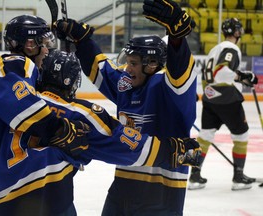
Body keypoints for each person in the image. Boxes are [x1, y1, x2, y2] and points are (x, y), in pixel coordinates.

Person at [0, 47, 201, 215]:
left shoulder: (7, 107)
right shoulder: (81, 114)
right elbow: (129, 145)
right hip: (49, 203)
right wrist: (174, 150)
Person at [54, 0, 198, 215]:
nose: (127, 68)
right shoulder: (128, 84)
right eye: (127, 62)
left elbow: (179, 73)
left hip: (161, 192)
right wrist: (82, 40)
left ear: (151, 64)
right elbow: (100, 68)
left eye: (133, 63)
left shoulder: (169, 90)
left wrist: (177, 37)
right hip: (123, 186)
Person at [0, 14, 91, 216]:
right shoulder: (17, 63)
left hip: (0, 170)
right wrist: (59, 129)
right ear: (30, 44)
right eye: (44, 43)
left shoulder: (27, 71)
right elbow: (19, 103)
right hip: (1, 174)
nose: (47, 50)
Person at [188, 17, 258, 191]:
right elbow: (221, 71)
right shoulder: (231, 48)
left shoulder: (214, 49)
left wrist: (211, 94)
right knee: (241, 136)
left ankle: (195, 177)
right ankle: (238, 178)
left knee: (205, 136)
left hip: (210, 99)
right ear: (237, 32)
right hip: (227, 99)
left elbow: (208, 76)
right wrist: (242, 77)